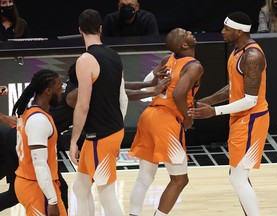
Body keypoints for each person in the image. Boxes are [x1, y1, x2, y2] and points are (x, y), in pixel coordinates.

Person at [188, 12, 269, 216]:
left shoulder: (252, 56)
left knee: (237, 177)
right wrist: (205, 102)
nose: (222, 32)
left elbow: (250, 99)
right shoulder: (236, 52)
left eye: (227, 29)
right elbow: (233, 88)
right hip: (240, 118)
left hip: (252, 119)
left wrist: (213, 111)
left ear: (239, 31)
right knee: (238, 175)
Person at [128, 27, 204, 216]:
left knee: (144, 177)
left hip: (149, 116)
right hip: (167, 120)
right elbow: (178, 94)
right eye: (186, 33)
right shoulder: (194, 66)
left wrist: (154, 74)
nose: (190, 33)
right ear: (184, 45)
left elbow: (150, 82)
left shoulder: (166, 60)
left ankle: (133, 214)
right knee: (180, 180)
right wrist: (188, 118)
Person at [68, 9, 129, 216]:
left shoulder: (85, 60)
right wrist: (117, 131)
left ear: (80, 31)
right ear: (101, 29)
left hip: (100, 135)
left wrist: (74, 139)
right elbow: (123, 97)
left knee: (106, 193)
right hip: (111, 130)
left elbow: (83, 105)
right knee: (80, 187)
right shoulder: (114, 56)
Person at [12, 69, 67, 216]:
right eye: (59, 87)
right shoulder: (38, 120)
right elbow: (40, 164)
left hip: (35, 183)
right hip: (36, 186)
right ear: (48, 91)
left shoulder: (30, 112)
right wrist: (52, 200)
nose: (62, 90)